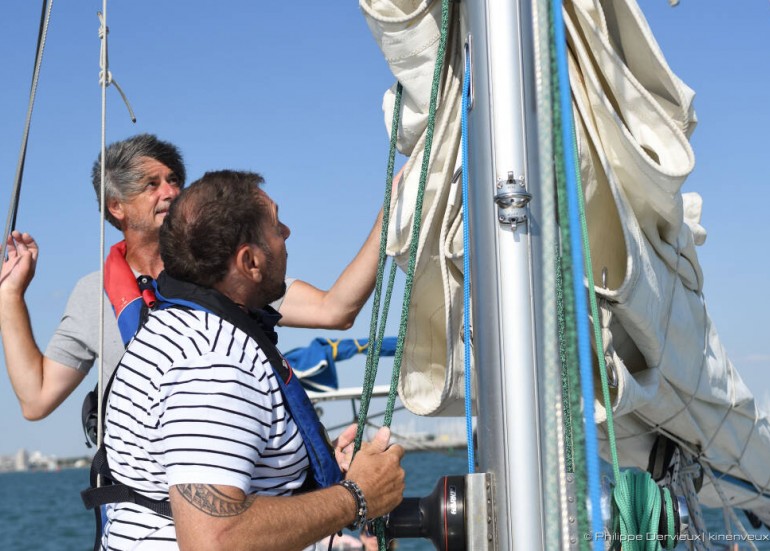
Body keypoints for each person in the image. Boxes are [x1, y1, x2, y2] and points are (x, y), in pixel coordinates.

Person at [100, 169, 405, 549]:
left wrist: (310, 470)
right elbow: (213, 538)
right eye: (277, 227)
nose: (287, 234)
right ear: (250, 262)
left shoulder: (181, 326)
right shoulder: (211, 360)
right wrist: (358, 495)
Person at [0, 133, 383, 425]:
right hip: (145, 510)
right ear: (116, 207)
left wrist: (391, 218)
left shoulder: (217, 264)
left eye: (174, 180)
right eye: (151, 184)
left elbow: (335, 310)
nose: (170, 191)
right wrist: (11, 295)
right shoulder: (91, 294)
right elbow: (36, 399)